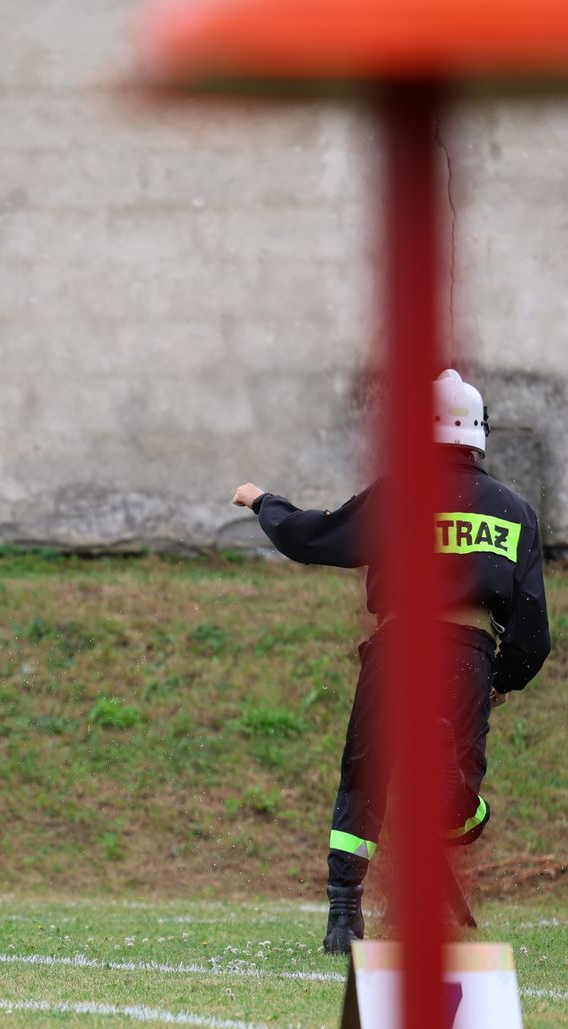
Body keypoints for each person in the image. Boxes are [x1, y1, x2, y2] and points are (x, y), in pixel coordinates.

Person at [232, 369, 550, 953]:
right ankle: (448, 777)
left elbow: (318, 538)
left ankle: (343, 918)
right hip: (467, 657)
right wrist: (498, 681)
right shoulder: (516, 511)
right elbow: (533, 633)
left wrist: (264, 503)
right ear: (480, 432)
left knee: (366, 777)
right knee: (460, 818)